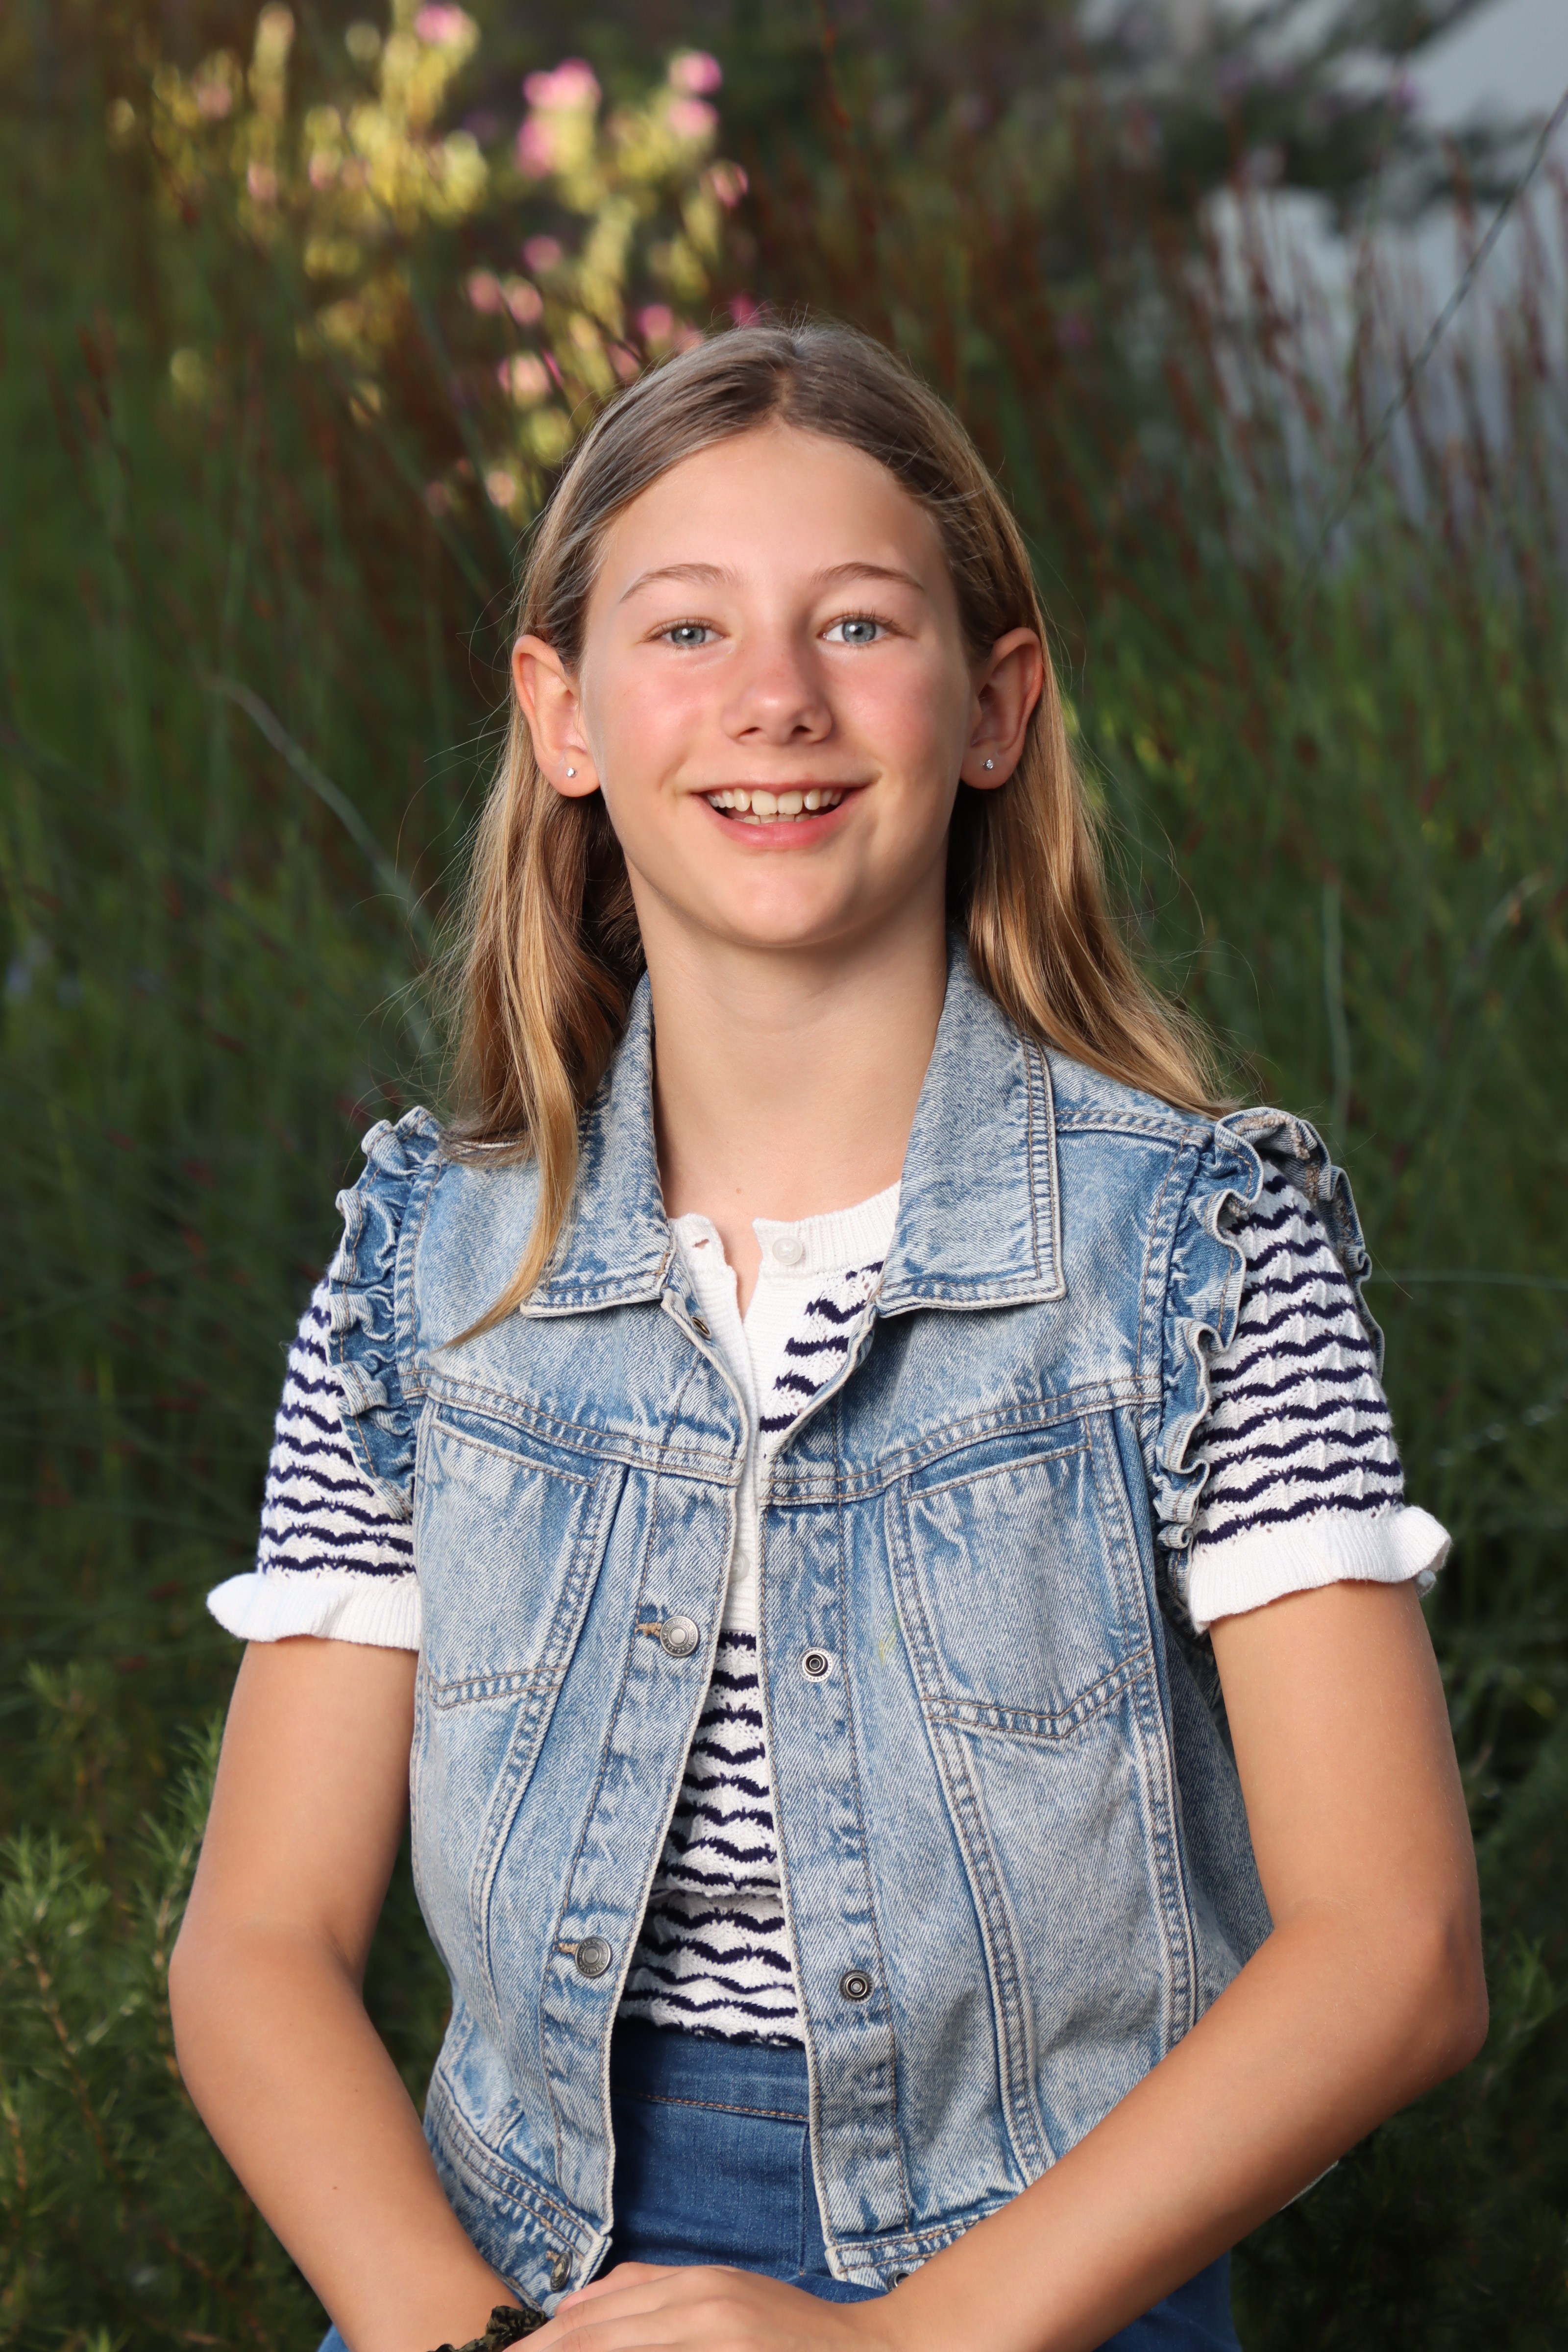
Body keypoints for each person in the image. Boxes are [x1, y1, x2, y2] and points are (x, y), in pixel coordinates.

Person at [170, 322, 1484, 2352]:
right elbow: (254, 1944)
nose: (774, 697)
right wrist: (467, 2336)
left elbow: (1393, 1949)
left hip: (1035, 2276)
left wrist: (893, 2342)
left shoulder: (1200, 1256)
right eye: (686, 628)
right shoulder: (424, 1273)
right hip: (503, 2279)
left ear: (994, 704)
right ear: (562, 714)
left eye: (858, 623)